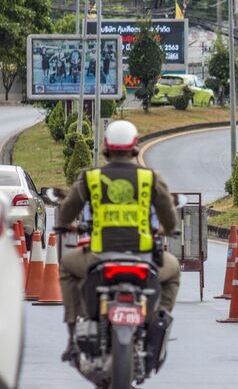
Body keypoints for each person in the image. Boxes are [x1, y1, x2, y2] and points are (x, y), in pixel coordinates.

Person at [55, 120, 181, 360]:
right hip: (144, 258)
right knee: (173, 272)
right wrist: (168, 229)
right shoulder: (149, 177)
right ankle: (157, 323)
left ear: (106, 147)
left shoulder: (91, 178)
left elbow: (68, 209)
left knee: (68, 268)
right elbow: (168, 213)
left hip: (99, 257)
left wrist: (64, 225)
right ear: (135, 148)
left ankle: (74, 332)